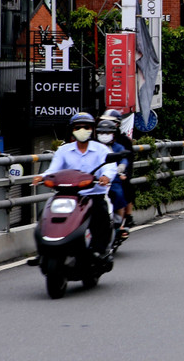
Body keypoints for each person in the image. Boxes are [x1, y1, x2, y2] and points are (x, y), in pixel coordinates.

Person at [33, 112, 117, 256]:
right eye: (78, 127)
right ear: (72, 130)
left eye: (86, 127)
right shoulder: (63, 150)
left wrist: (105, 176)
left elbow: (110, 167)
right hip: (67, 196)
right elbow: (53, 169)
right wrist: (42, 177)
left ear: (92, 129)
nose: (82, 130)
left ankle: (100, 251)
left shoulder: (101, 149)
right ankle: (44, 252)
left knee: (101, 216)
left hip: (93, 195)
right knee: (44, 216)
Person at [100, 108, 136, 227]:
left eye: (111, 122)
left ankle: (125, 219)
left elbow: (127, 158)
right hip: (98, 176)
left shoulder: (123, 141)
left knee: (124, 190)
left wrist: (124, 173)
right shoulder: (95, 141)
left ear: (118, 124)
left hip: (117, 174)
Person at [95, 118, 130, 238]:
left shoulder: (118, 147)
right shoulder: (93, 147)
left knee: (118, 194)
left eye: (107, 132)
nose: (104, 135)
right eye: (101, 132)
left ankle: (119, 224)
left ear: (114, 134)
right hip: (93, 180)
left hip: (112, 180)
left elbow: (124, 160)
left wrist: (120, 168)